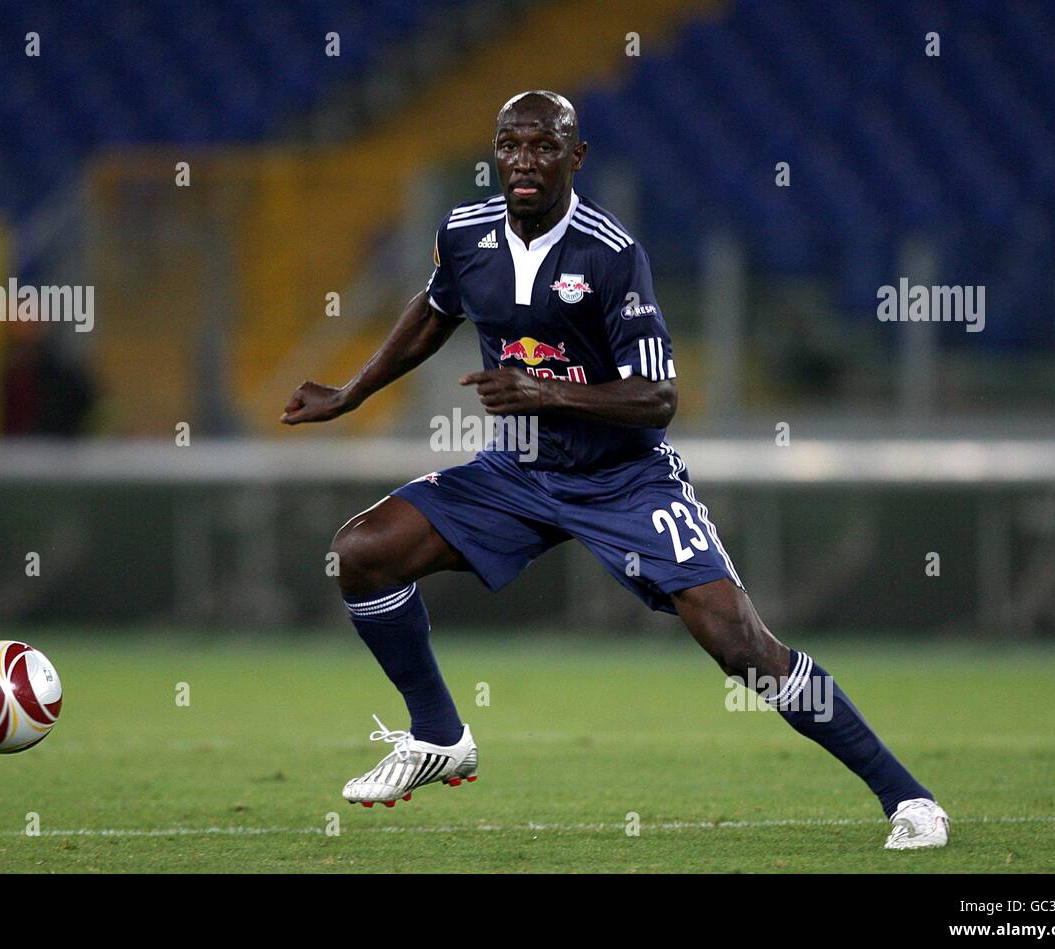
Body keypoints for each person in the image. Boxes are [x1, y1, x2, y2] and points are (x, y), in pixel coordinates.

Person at [281, 91, 948, 849]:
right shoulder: (465, 234)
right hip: (518, 473)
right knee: (362, 552)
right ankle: (439, 736)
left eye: (543, 146)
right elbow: (436, 311)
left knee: (742, 646)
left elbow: (658, 397)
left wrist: (541, 389)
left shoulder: (610, 253)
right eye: (509, 146)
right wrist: (349, 393)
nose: (524, 162)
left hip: (624, 480)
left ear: (577, 156)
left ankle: (910, 800)